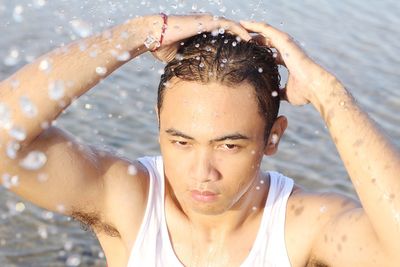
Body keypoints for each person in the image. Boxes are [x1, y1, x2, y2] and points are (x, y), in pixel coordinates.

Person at [0, 13, 399, 267]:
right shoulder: (130, 202)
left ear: (272, 138)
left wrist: (329, 94)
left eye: (229, 145)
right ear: (158, 124)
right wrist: (137, 34)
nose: (201, 172)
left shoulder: (301, 228)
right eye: (181, 142)